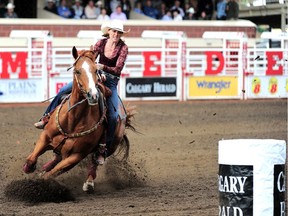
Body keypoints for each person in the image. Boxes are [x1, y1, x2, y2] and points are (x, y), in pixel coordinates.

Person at [34, 19, 130, 165]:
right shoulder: (100, 43)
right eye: (114, 31)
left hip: (110, 82)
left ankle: (103, 149)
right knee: (62, 91)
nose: (116, 34)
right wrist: (91, 67)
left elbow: (117, 69)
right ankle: (46, 117)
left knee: (112, 115)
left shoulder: (123, 48)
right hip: (93, 76)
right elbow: (90, 57)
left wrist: (101, 67)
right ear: (108, 32)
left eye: (119, 32)